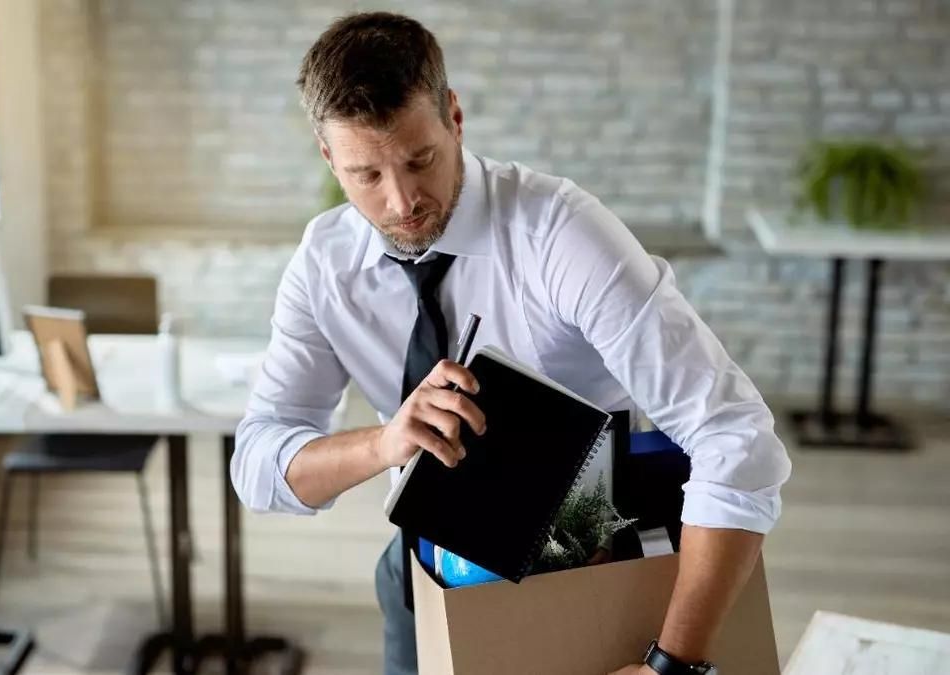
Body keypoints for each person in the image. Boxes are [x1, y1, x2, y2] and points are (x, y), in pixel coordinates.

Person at [231, 11, 791, 675]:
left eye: (420, 160)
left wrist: (674, 664)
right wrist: (386, 443)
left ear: (455, 116)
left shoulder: (561, 234)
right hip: (423, 577)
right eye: (366, 175)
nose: (402, 201)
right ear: (329, 157)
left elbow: (737, 437)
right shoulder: (325, 264)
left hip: (588, 570)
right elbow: (258, 465)